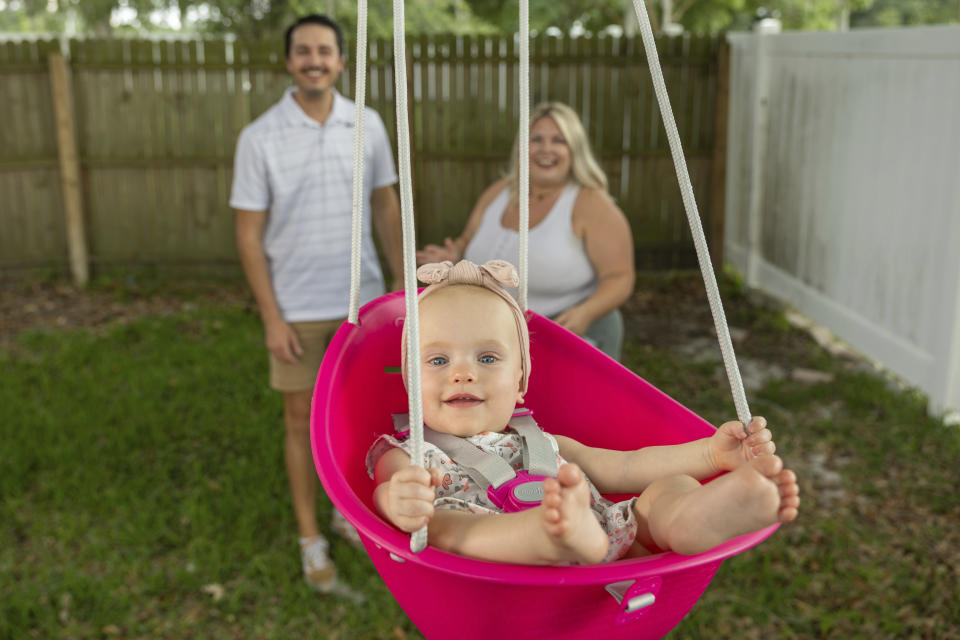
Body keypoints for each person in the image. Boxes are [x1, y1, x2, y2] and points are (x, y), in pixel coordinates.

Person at [368, 260, 800, 565]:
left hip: (600, 531)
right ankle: (552, 535)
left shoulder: (543, 441)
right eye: (438, 362)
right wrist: (397, 502)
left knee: (667, 487)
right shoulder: (409, 453)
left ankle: (695, 518)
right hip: (499, 558)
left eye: (486, 359)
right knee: (444, 527)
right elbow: (383, 492)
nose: (463, 374)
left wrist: (710, 456)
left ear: (520, 381)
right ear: (410, 383)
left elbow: (626, 466)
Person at [230, 14, 403, 592]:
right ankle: (311, 539)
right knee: (300, 421)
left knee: (363, 418)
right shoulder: (259, 137)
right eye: (302, 51)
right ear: (288, 62)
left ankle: (348, 513)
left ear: (340, 60)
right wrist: (271, 317)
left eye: (324, 50)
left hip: (365, 305)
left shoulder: (368, 124)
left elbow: (385, 207)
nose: (314, 59)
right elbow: (249, 235)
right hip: (297, 308)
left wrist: (407, 292)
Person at [416, 102, 634, 360]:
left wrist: (586, 312)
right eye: (537, 139)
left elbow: (619, 277)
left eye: (558, 140)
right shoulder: (499, 192)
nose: (546, 149)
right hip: (496, 331)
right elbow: (467, 240)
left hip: (570, 333)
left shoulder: (591, 205)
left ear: (574, 150)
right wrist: (453, 255)